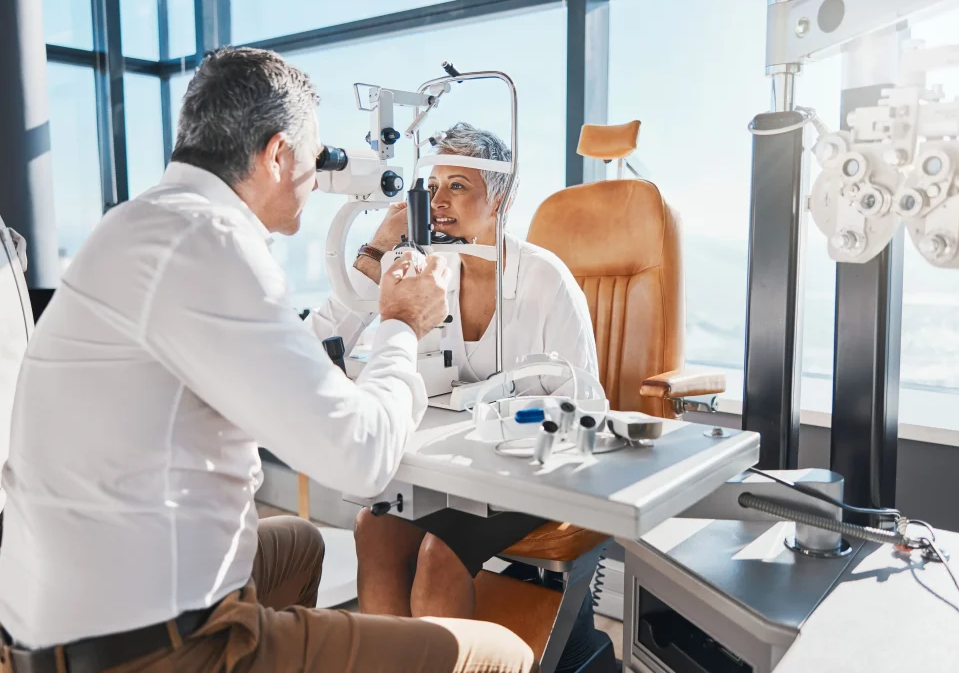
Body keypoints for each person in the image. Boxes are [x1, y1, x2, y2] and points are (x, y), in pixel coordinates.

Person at [0, 47, 535, 673]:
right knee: (502, 656)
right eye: (316, 156)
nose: (320, 174)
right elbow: (361, 459)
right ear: (279, 155)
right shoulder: (213, 245)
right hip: (149, 649)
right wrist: (401, 326)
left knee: (299, 544)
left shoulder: (139, 225)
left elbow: (277, 358)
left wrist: (371, 276)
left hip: (47, 622)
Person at [308, 122, 600, 619]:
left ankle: (448, 652)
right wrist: (380, 244)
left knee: (438, 557)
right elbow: (338, 333)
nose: (438, 201)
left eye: (458, 186)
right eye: (433, 186)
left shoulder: (545, 279)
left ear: (501, 199)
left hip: (530, 475)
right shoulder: (434, 271)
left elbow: (586, 406)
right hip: (458, 472)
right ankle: (392, 655)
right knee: (373, 529)